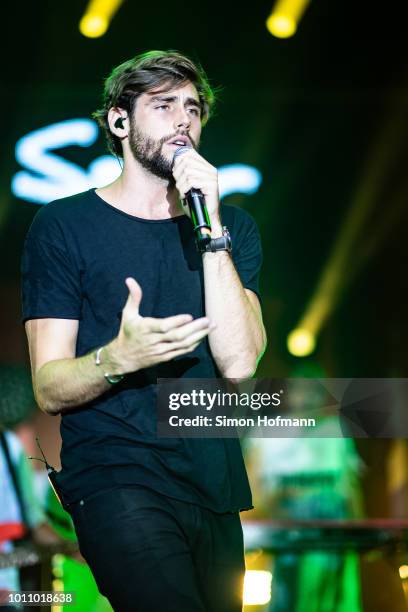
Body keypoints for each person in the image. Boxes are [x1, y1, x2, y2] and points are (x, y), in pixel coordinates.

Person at [21, 50, 266, 612]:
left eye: (193, 107)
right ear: (119, 120)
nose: (184, 120)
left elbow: (240, 364)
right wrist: (118, 356)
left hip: (212, 481)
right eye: (163, 105)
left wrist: (213, 229)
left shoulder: (233, 228)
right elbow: (49, 385)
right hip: (115, 476)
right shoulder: (63, 225)